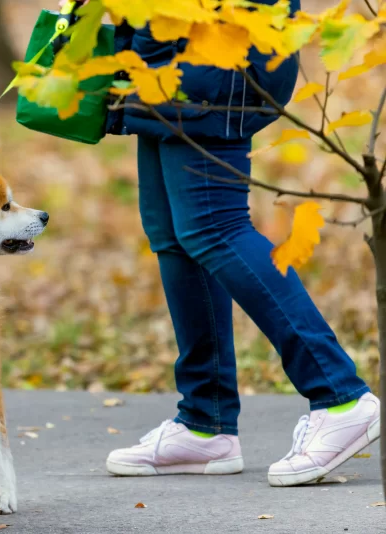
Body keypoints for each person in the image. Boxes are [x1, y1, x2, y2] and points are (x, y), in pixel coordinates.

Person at [62, 0, 381, 486]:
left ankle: (340, 397)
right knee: (174, 234)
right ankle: (204, 422)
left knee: (214, 227)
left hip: (213, 43)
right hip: (163, 45)